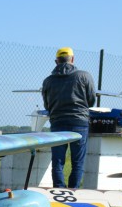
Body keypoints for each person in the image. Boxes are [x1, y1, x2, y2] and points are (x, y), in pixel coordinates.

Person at [41, 46, 96, 189]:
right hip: (79, 122)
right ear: (72, 59)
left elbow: (47, 105)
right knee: (78, 161)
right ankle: (74, 191)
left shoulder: (48, 81)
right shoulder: (85, 76)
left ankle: (59, 191)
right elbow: (91, 100)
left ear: (56, 61)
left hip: (57, 122)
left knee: (58, 161)